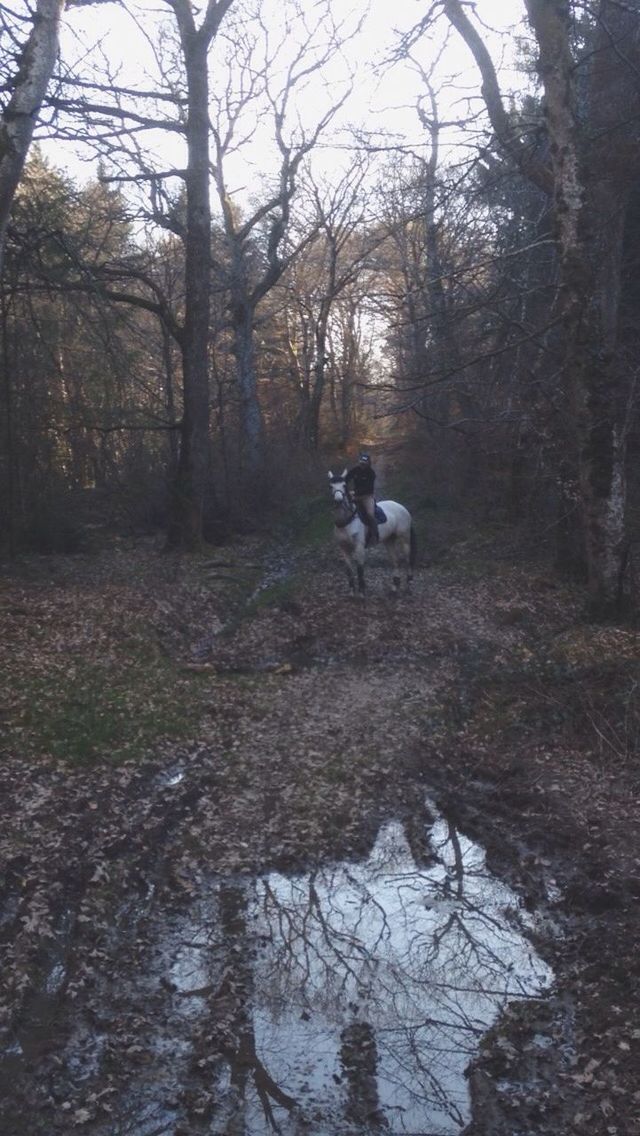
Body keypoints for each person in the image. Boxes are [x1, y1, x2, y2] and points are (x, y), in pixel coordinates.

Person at [345, 452, 378, 545]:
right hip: (355, 497)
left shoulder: (371, 473)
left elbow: (368, 487)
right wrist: (344, 487)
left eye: (364, 462)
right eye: (361, 462)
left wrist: (355, 492)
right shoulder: (355, 470)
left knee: (370, 514)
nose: (362, 464)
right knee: (346, 511)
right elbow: (347, 479)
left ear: (368, 462)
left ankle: (374, 535)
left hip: (367, 497)